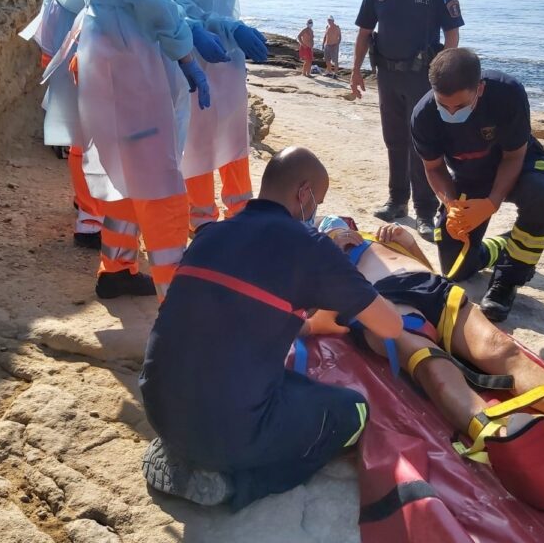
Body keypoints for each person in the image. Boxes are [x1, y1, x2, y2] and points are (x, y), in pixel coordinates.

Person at [315, 215, 544, 506]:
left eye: (342, 223)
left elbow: (435, 272)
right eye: (331, 226)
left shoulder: (376, 239)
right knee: (429, 362)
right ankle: (501, 439)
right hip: (380, 305)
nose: (341, 229)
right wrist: (329, 260)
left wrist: (407, 244)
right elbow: (319, 315)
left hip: (433, 291)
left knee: (502, 349)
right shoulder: (320, 258)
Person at [139, 147, 403, 509]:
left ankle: (184, 447)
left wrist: (310, 326)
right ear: (304, 193)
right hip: (230, 432)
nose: (315, 213)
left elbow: (231, 314)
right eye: (318, 202)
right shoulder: (309, 247)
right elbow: (390, 326)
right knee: (353, 410)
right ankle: (235, 484)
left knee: (282, 383)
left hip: (159, 408)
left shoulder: (210, 235)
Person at [73, 0, 232, 301]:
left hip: (108, 56)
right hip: (131, 64)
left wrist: (184, 30)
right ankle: (176, 300)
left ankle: (116, 270)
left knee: (125, 173)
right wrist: (185, 53)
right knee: (161, 181)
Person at [22, 0, 147, 249]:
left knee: (78, 131)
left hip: (57, 31)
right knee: (92, 135)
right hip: (77, 41)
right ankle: (91, 219)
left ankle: (85, 206)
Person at [411, 48, 544, 322]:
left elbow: (513, 156)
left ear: (478, 89)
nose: (451, 112)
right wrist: (451, 205)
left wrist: (492, 203)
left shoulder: (508, 94)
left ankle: (508, 280)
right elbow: (433, 168)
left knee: (543, 192)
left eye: (459, 106)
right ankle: (505, 245)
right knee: (456, 270)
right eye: (443, 106)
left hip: (522, 165)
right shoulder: (423, 116)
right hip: (471, 176)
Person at [350, 0, 464, 241]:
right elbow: (363, 32)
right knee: (393, 139)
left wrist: (444, 72)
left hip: (422, 78)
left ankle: (425, 211)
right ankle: (397, 200)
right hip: (386, 75)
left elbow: (452, 31)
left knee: (421, 145)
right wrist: (356, 70)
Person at [177, 0, 270, 232]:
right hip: (193, 62)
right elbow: (184, 12)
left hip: (229, 66)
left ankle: (241, 211)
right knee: (197, 140)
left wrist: (237, 32)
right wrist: (226, 29)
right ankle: (201, 219)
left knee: (234, 138)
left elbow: (227, 8)